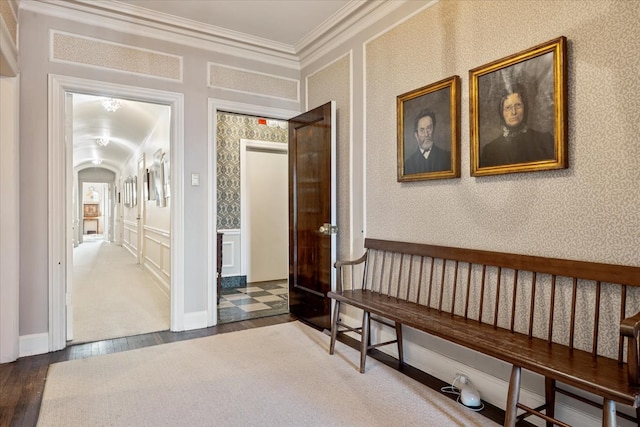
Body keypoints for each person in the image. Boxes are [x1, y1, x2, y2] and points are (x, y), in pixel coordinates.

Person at [480, 84, 554, 168]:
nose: (513, 112)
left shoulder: (544, 141)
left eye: (518, 105)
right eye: (508, 108)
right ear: (501, 112)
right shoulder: (490, 150)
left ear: (525, 108)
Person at [404, 110, 451, 174]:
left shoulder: (447, 158)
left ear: (433, 130)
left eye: (429, 128)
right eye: (422, 130)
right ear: (416, 135)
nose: (426, 134)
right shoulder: (408, 164)